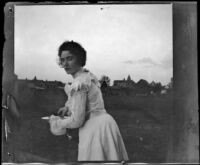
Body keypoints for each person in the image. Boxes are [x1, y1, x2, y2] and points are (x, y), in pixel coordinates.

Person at [49, 40, 129, 161]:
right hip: (106, 124)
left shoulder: (80, 83)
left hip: (95, 130)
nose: (65, 64)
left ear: (80, 59)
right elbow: (88, 103)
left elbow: (77, 121)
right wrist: (68, 107)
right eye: (63, 60)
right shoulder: (87, 76)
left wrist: (56, 122)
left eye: (69, 59)